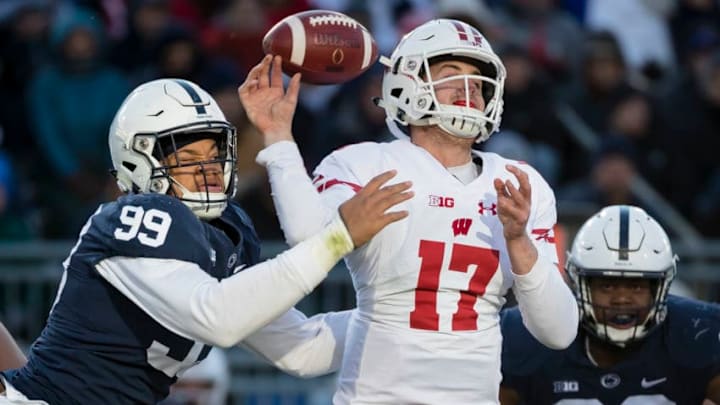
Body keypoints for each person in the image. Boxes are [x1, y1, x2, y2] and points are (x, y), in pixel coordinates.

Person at [0, 78, 413, 404]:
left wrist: (410, 317)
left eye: (213, 154)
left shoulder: (227, 230)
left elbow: (301, 348)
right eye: (188, 158)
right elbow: (215, 316)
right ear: (138, 160)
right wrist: (336, 240)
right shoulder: (134, 216)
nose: (209, 169)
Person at [239, 18, 578, 404]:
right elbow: (306, 237)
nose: (468, 90)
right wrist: (279, 138)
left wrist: (519, 244)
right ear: (406, 84)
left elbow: (559, 331)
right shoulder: (365, 163)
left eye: (477, 81)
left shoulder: (519, 181)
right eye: (451, 74)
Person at [499, 205, 720, 405]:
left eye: (636, 287)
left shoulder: (698, 331)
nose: (621, 299)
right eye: (607, 286)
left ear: (659, 288)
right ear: (579, 283)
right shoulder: (525, 336)